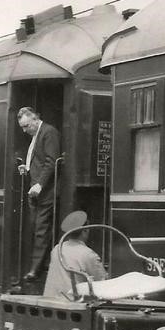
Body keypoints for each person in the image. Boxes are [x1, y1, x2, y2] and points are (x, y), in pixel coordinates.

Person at [16, 106, 61, 281]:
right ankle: (37, 267)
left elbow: (51, 162)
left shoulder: (49, 133)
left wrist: (40, 184)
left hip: (46, 192)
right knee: (36, 228)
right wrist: (26, 168)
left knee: (41, 230)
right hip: (37, 191)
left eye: (26, 126)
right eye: (22, 127)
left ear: (35, 119)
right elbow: (41, 160)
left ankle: (36, 270)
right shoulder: (37, 134)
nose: (24, 130)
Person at [43, 211, 107, 298]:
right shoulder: (88, 254)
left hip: (50, 300)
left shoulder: (57, 248)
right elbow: (103, 283)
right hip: (72, 304)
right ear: (85, 230)